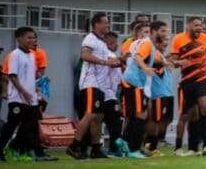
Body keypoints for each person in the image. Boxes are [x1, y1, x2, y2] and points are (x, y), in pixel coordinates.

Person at [0, 27, 57, 162]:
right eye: (29, 37)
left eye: (34, 37)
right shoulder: (15, 55)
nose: (32, 40)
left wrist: (40, 79)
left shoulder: (32, 55)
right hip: (18, 98)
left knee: (32, 126)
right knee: (11, 125)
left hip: (31, 98)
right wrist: (24, 92)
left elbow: (30, 75)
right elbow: (13, 76)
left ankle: (36, 152)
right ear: (19, 39)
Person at [66, 13, 122, 160]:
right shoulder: (90, 39)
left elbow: (108, 60)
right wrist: (105, 63)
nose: (108, 25)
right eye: (105, 23)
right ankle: (73, 146)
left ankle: (96, 149)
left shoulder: (102, 42)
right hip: (90, 83)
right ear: (96, 24)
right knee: (90, 114)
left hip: (100, 86)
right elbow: (85, 55)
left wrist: (118, 61)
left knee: (98, 116)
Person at [169, 16, 206, 157]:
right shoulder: (178, 39)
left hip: (203, 80)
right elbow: (172, 60)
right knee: (186, 116)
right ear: (188, 26)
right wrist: (180, 62)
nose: (200, 28)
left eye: (201, 26)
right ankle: (178, 147)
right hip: (186, 82)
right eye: (196, 25)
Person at [120, 22, 154, 158]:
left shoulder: (137, 44)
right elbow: (137, 57)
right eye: (144, 31)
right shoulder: (145, 43)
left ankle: (123, 142)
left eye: (148, 31)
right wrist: (145, 68)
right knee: (141, 115)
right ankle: (133, 149)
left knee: (135, 115)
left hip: (131, 81)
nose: (147, 34)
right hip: (135, 83)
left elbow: (130, 58)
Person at [145, 22, 174, 156]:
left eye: (167, 41)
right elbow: (155, 64)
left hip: (167, 93)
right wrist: (166, 62)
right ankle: (150, 145)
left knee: (166, 119)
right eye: (163, 41)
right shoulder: (154, 53)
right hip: (158, 93)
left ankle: (153, 143)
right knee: (156, 120)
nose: (165, 43)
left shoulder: (161, 55)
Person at [102, 31, 127, 157]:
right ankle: (113, 149)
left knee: (115, 122)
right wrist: (126, 59)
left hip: (111, 94)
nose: (115, 44)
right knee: (114, 123)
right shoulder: (105, 54)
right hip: (105, 94)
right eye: (112, 42)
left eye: (115, 42)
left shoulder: (112, 54)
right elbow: (114, 63)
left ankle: (112, 148)